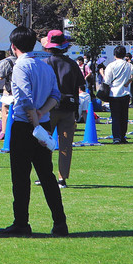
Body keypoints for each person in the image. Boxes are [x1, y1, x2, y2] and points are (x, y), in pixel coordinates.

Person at [0, 26, 67, 237]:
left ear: (13, 46)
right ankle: (60, 222)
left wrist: (34, 118)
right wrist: (41, 113)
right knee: (46, 176)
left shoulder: (20, 66)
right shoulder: (45, 65)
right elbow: (56, 94)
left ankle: (21, 222)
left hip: (24, 125)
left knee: (20, 178)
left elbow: (24, 98)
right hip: (43, 124)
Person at [43, 30, 80, 188]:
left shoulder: (44, 63)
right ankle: (62, 178)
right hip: (68, 108)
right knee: (65, 144)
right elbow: (78, 86)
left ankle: (45, 174)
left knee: (45, 142)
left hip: (48, 108)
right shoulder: (72, 64)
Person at [101, 45, 133, 144]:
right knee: (124, 117)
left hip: (114, 93)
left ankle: (116, 137)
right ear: (124, 55)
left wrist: (102, 74)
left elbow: (107, 80)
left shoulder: (111, 65)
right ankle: (123, 136)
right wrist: (130, 80)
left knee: (115, 117)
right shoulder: (128, 65)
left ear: (115, 54)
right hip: (125, 93)